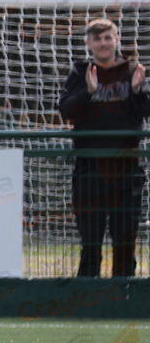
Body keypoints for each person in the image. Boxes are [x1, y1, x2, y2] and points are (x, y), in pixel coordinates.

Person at [57, 18, 149, 277]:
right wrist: (88, 91)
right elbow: (65, 110)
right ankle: (87, 301)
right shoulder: (80, 72)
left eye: (108, 37)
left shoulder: (132, 72)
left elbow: (147, 109)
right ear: (89, 43)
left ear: (117, 40)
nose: (103, 43)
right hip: (89, 170)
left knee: (124, 241)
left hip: (127, 170)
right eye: (97, 39)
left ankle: (123, 296)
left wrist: (137, 91)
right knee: (90, 241)